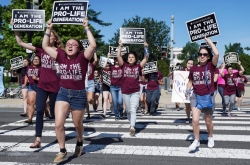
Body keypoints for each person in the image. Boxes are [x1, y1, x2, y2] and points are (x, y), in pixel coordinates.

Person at [42, 18, 96, 163]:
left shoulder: (83, 58)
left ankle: (79, 140)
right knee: (58, 123)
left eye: (74, 44)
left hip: (79, 95)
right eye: (68, 44)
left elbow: (93, 44)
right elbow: (45, 46)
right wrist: (48, 28)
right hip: (63, 93)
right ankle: (62, 150)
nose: (70, 45)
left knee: (77, 124)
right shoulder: (60, 55)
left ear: (78, 48)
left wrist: (86, 27)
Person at [11, 19, 63, 149]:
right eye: (47, 34)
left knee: (54, 114)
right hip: (42, 86)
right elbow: (20, 42)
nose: (48, 36)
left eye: (50, 34)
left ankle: (60, 134)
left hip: (55, 86)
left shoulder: (60, 52)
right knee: (39, 110)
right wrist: (15, 29)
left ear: (55, 39)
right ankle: (38, 139)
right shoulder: (41, 51)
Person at [186, 36, 219, 150]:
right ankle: (196, 140)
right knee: (195, 120)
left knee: (208, 121)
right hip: (196, 96)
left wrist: (208, 41)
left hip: (208, 97)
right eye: (200, 54)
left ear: (208, 56)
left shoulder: (211, 66)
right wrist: (187, 89)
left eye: (205, 54)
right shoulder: (193, 68)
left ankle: (210, 136)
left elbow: (217, 54)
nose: (202, 56)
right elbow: (190, 81)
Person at [117, 39, 148, 136]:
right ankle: (131, 123)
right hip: (125, 91)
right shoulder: (123, 65)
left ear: (135, 59)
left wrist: (146, 48)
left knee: (133, 109)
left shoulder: (138, 66)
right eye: (129, 57)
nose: (131, 58)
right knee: (128, 110)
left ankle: (132, 127)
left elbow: (146, 58)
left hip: (135, 91)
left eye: (133, 57)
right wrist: (120, 46)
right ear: (127, 58)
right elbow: (118, 56)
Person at [103, 53, 123, 120]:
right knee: (115, 102)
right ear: (114, 60)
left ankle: (121, 111)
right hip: (113, 87)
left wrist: (121, 57)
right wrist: (108, 57)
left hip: (120, 87)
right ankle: (117, 116)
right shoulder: (111, 67)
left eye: (117, 59)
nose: (117, 60)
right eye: (115, 59)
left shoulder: (122, 67)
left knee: (120, 102)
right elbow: (104, 66)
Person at [22, 56, 41, 124]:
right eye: (34, 59)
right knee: (31, 102)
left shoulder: (42, 68)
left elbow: (45, 78)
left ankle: (47, 112)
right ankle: (30, 119)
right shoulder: (29, 68)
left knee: (43, 104)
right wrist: (25, 83)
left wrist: (37, 79)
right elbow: (27, 75)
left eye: (37, 59)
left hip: (40, 87)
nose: (36, 60)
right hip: (31, 86)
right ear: (32, 60)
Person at [85, 51, 98, 119]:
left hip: (90, 82)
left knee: (90, 99)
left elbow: (96, 60)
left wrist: (94, 51)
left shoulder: (92, 64)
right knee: (86, 100)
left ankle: (94, 103)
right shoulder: (82, 63)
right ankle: (88, 113)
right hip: (84, 82)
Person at [182, 59, 194, 124]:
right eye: (189, 63)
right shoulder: (182, 71)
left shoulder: (194, 71)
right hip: (184, 91)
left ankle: (193, 115)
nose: (190, 65)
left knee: (193, 105)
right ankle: (188, 117)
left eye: (191, 64)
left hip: (193, 90)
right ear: (186, 64)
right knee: (187, 106)